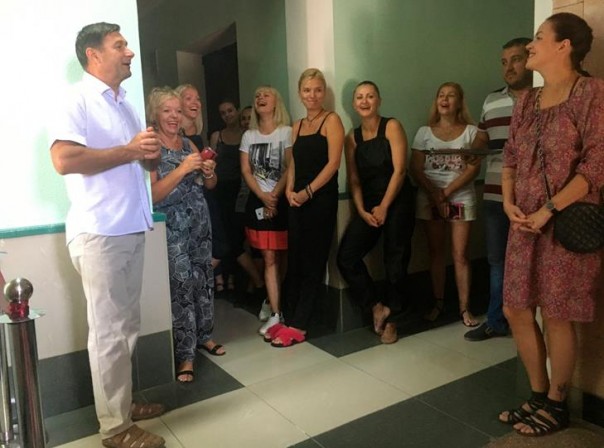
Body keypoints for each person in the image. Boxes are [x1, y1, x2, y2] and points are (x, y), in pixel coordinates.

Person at [49, 22, 165, 448]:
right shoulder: (75, 99)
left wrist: (149, 156)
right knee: (109, 333)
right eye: (120, 45)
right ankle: (115, 429)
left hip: (130, 226)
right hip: (99, 232)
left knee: (126, 326)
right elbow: (63, 159)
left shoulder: (125, 104)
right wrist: (131, 150)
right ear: (94, 55)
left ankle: (123, 404)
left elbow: (139, 163)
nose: (130, 52)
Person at [499, 13, 604, 437]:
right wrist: (508, 202)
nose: (530, 45)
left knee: (557, 314)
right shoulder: (527, 100)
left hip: (565, 224)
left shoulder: (591, 93)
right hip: (523, 222)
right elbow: (509, 158)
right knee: (516, 308)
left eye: (539, 37)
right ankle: (538, 395)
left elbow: (597, 165)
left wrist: (549, 209)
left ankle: (558, 405)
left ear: (564, 46)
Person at [148, 87, 225, 384]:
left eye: (178, 111)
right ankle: (185, 354)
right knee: (181, 287)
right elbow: (152, 195)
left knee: (203, 279)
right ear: (155, 114)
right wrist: (182, 169)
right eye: (167, 111)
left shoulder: (189, 143)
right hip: (173, 227)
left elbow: (210, 185)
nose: (174, 116)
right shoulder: (151, 147)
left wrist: (208, 171)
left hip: (199, 222)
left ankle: (205, 336)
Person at [265, 68, 344, 347]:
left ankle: (300, 324)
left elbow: (333, 164)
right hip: (296, 201)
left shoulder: (332, 121)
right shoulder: (297, 126)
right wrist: (289, 191)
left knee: (313, 260)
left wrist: (308, 192)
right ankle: (288, 317)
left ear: (324, 93)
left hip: (320, 200)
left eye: (318, 90)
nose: (312, 95)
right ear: (300, 93)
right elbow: (294, 164)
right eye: (307, 90)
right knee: (296, 260)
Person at [464, 38, 533, 342]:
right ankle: (496, 321)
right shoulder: (492, 101)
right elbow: (482, 139)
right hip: (494, 194)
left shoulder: (545, 97)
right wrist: (472, 152)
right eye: (504, 62)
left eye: (516, 59)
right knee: (497, 261)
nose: (509, 68)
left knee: (532, 263)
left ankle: (532, 327)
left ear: (530, 59)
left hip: (533, 198)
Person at [336, 81, 415, 344]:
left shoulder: (392, 126)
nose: (364, 101)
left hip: (397, 200)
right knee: (346, 256)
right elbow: (354, 179)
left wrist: (385, 206)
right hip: (368, 203)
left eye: (370, 96)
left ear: (378, 100)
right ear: (353, 103)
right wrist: (361, 210)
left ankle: (394, 320)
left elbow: (400, 171)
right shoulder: (352, 137)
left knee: (395, 260)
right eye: (359, 97)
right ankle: (375, 306)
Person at [410, 82, 481, 328]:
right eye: (441, 95)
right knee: (436, 252)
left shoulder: (472, 132)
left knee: (460, 254)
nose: (445, 99)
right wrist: (435, 195)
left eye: (451, 96)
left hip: (460, 196)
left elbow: (473, 168)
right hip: (429, 197)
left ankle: (464, 308)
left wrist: (446, 193)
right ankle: (438, 303)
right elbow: (415, 168)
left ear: (459, 102)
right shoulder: (423, 132)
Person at [239, 86, 292, 336]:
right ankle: (276, 314)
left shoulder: (287, 132)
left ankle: (272, 301)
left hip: (281, 201)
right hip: (258, 202)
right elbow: (246, 170)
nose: (260, 98)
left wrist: (275, 196)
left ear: (276, 102)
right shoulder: (249, 136)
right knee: (269, 258)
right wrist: (263, 196)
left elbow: (290, 166)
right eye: (257, 95)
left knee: (282, 257)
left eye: (266, 95)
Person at [209, 100, 264, 296]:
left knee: (244, 240)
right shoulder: (217, 136)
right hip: (219, 192)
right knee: (227, 237)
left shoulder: (247, 135)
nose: (227, 115)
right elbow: (211, 163)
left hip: (243, 192)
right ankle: (237, 281)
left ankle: (254, 284)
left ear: (237, 111)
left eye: (230, 110)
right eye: (223, 112)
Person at [175, 84, 228, 282]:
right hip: (184, 201)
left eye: (197, 98)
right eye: (188, 98)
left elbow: (209, 181)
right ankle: (194, 282)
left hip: (204, 196)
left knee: (219, 246)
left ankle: (197, 281)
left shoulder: (197, 135)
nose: (195, 102)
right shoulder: (174, 137)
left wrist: (208, 170)